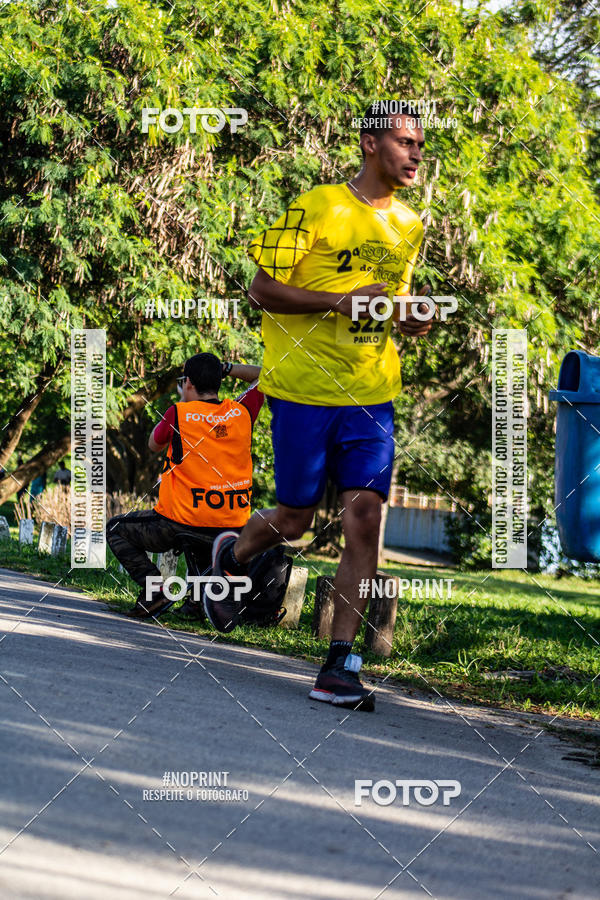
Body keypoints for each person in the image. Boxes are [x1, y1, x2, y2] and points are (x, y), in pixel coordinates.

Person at [204, 102, 433, 711]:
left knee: (364, 520)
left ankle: (339, 665)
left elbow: (389, 300)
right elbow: (260, 289)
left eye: (419, 145)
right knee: (297, 518)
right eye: (404, 142)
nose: (415, 154)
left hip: (371, 395)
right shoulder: (316, 205)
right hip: (303, 389)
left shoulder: (409, 223)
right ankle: (232, 553)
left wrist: (408, 317)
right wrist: (335, 303)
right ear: (369, 143)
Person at [106, 353, 263, 618]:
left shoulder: (178, 413)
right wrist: (225, 367)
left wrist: (183, 403)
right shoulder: (242, 412)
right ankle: (196, 604)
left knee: (116, 529)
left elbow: (153, 444)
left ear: (188, 383)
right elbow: (265, 375)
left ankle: (155, 590)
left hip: (181, 521)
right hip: (231, 526)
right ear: (219, 380)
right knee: (201, 540)